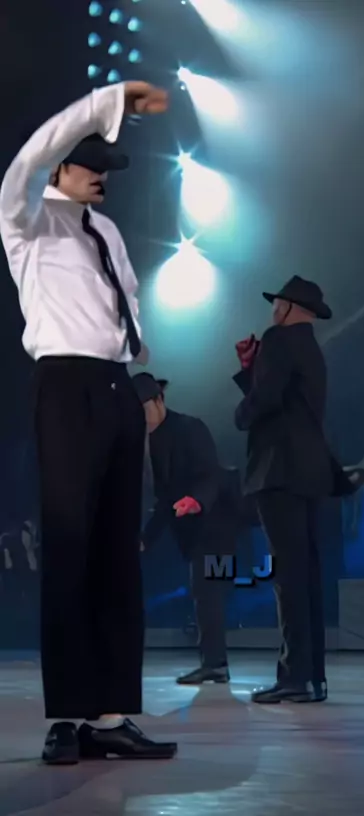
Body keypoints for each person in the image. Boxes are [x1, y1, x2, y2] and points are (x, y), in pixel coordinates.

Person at [0, 81, 178, 764]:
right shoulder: (26, 217)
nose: (103, 178)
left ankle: (109, 715)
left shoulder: (105, 229)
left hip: (114, 387)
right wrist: (112, 100)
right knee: (70, 547)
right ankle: (67, 716)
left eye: (108, 169)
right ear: (60, 168)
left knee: (117, 553)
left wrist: (136, 361)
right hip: (65, 385)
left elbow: (126, 298)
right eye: (91, 166)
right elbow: (30, 154)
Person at [233, 275, 364, 704]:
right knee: (306, 575)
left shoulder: (278, 339)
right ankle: (312, 678)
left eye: (277, 303)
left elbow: (267, 400)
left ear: (289, 307)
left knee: (287, 576)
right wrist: (251, 371)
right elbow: (284, 398)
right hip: (310, 472)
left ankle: (294, 676)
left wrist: (240, 412)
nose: (272, 309)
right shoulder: (311, 348)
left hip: (279, 471)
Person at [133, 373, 243, 685]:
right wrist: (147, 539)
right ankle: (215, 662)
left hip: (218, 525)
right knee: (207, 592)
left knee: (208, 590)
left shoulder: (190, 427)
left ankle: (215, 664)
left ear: (159, 400)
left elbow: (211, 475)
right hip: (193, 532)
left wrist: (196, 500)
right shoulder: (148, 443)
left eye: (143, 410)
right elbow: (165, 500)